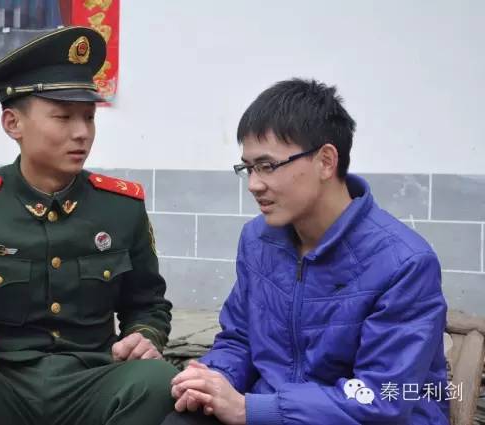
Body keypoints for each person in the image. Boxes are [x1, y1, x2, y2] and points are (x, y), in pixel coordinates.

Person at [0, 26, 177, 425]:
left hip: (92, 381)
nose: (81, 133)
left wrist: (144, 336)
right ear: (13, 124)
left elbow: (147, 303)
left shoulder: (121, 207)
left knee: (161, 381)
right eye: (63, 117)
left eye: (89, 118)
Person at [164, 79, 449, 424]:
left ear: (326, 161)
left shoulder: (405, 263)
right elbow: (239, 339)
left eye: (267, 166)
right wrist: (212, 379)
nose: (254, 184)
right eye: (248, 168)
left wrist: (250, 409)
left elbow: (380, 399)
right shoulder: (258, 240)